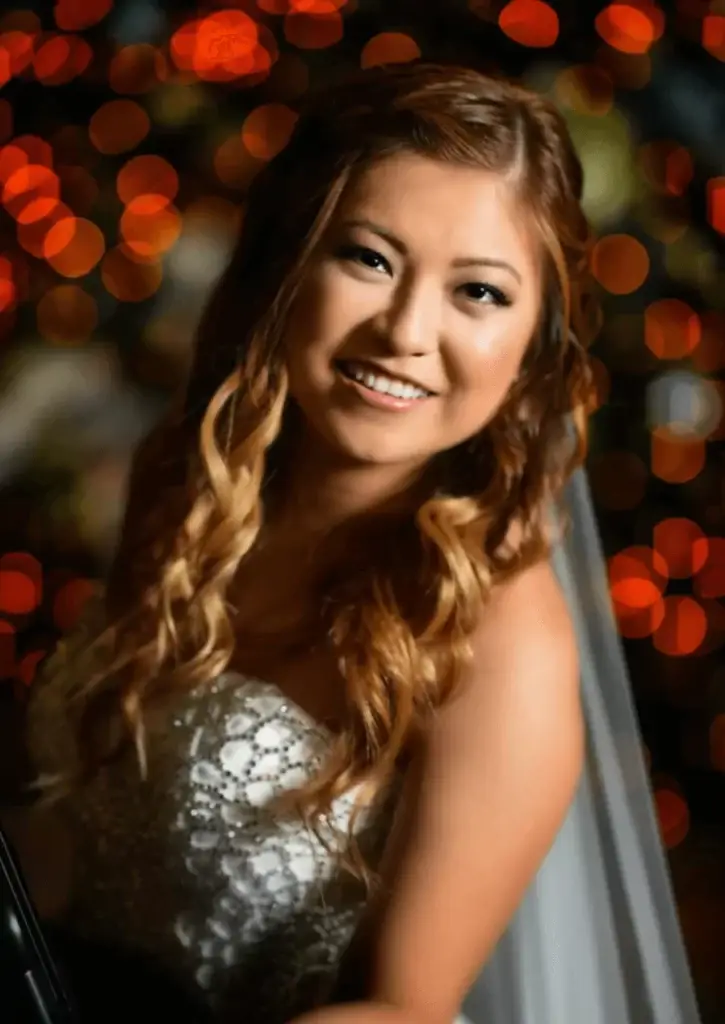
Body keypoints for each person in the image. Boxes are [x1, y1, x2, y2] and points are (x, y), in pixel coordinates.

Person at [15, 62, 698, 1024]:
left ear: (536, 338)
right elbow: (77, 832)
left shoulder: (503, 643)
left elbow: (400, 1009)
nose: (405, 332)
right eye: (369, 258)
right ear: (289, 260)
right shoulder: (186, 476)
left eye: (480, 293)